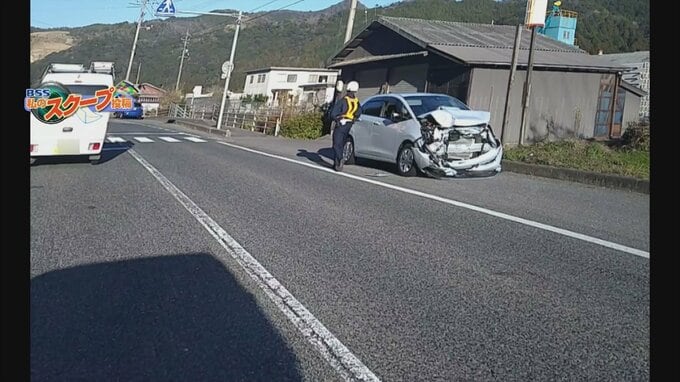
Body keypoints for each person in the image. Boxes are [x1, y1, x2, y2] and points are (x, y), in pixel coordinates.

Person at [330, 81, 361, 171]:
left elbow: (333, 113)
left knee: (336, 144)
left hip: (341, 122)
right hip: (349, 124)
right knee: (342, 143)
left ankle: (340, 158)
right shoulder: (356, 101)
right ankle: (336, 165)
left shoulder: (343, 100)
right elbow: (359, 112)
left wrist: (337, 119)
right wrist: (353, 119)